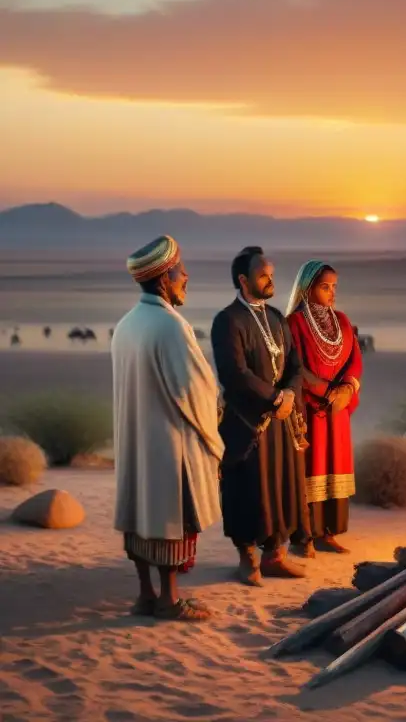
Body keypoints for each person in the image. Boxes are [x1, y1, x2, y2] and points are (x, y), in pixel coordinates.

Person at [112, 235, 223, 621]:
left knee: (139, 517)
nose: (186, 276)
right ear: (163, 279)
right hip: (168, 442)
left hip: (134, 440)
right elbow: (193, 387)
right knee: (171, 521)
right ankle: (170, 600)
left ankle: (145, 595)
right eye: (181, 270)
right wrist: (214, 427)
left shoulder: (127, 324)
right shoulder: (171, 326)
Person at [212, 246, 308, 585]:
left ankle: (274, 556)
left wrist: (290, 394)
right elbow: (234, 374)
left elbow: (295, 365)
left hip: (281, 420)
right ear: (243, 279)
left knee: (282, 487)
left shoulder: (277, 318)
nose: (270, 281)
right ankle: (246, 558)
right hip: (247, 422)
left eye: (272, 275)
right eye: (263, 275)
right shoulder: (227, 320)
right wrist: (275, 398)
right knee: (248, 489)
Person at [283, 260, 363, 557]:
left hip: (337, 411)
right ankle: (302, 537)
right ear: (307, 288)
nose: (332, 293)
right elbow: (295, 367)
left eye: (334, 287)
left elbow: (355, 359)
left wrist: (347, 388)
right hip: (309, 409)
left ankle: (328, 533)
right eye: (325, 287)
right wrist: (326, 391)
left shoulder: (342, 321)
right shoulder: (294, 323)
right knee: (309, 468)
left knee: (335, 466)